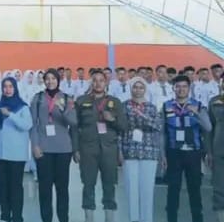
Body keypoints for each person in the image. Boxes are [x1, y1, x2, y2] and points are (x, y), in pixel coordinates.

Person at [74, 69, 127, 222]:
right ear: (91, 82)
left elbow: (124, 126)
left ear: (106, 82)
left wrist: (112, 120)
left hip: (109, 150)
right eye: (95, 80)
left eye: (101, 80)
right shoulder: (81, 101)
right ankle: (89, 218)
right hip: (87, 149)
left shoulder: (115, 102)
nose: (98, 83)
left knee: (109, 184)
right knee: (88, 184)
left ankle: (109, 218)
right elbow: (75, 127)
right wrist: (75, 149)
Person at [162, 75, 212, 222]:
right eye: (178, 86)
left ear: (189, 88)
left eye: (184, 86)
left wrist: (197, 113)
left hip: (193, 153)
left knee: (194, 189)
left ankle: (197, 219)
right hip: (173, 153)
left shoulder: (198, 105)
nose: (181, 89)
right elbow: (162, 133)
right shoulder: (166, 106)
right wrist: (162, 154)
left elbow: (208, 127)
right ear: (173, 88)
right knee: (173, 189)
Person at [30, 68, 77, 222]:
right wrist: (35, 145)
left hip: (63, 149)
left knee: (62, 188)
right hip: (44, 149)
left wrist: (62, 109)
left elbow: (73, 122)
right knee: (45, 189)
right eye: (47, 79)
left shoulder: (67, 98)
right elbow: (33, 125)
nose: (50, 81)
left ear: (58, 80)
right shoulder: (38, 98)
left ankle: (63, 218)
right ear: (44, 81)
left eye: (53, 78)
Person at [0, 77, 32, 222]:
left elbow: (27, 125)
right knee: (3, 187)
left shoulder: (23, 107)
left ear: (15, 88)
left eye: (10, 86)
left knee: (15, 187)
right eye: (5, 86)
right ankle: (5, 215)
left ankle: (17, 216)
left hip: (16, 155)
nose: (7, 90)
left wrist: (11, 115)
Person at [120, 76, 161, 222]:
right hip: (130, 151)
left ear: (145, 89)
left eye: (141, 87)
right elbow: (120, 130)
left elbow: (158, 126)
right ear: (131, 89)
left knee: (147, 190)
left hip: (149, 151)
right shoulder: (124, 106)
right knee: (131, 190)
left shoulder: (151, 107)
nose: (138, 90)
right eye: (135, 87)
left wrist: (143, 116)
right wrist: (119, 151)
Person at [207, 74, 224, 222]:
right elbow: (209, 129)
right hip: (219, 151)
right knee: (219, 190)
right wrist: (209, 152)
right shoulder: (214, 102)